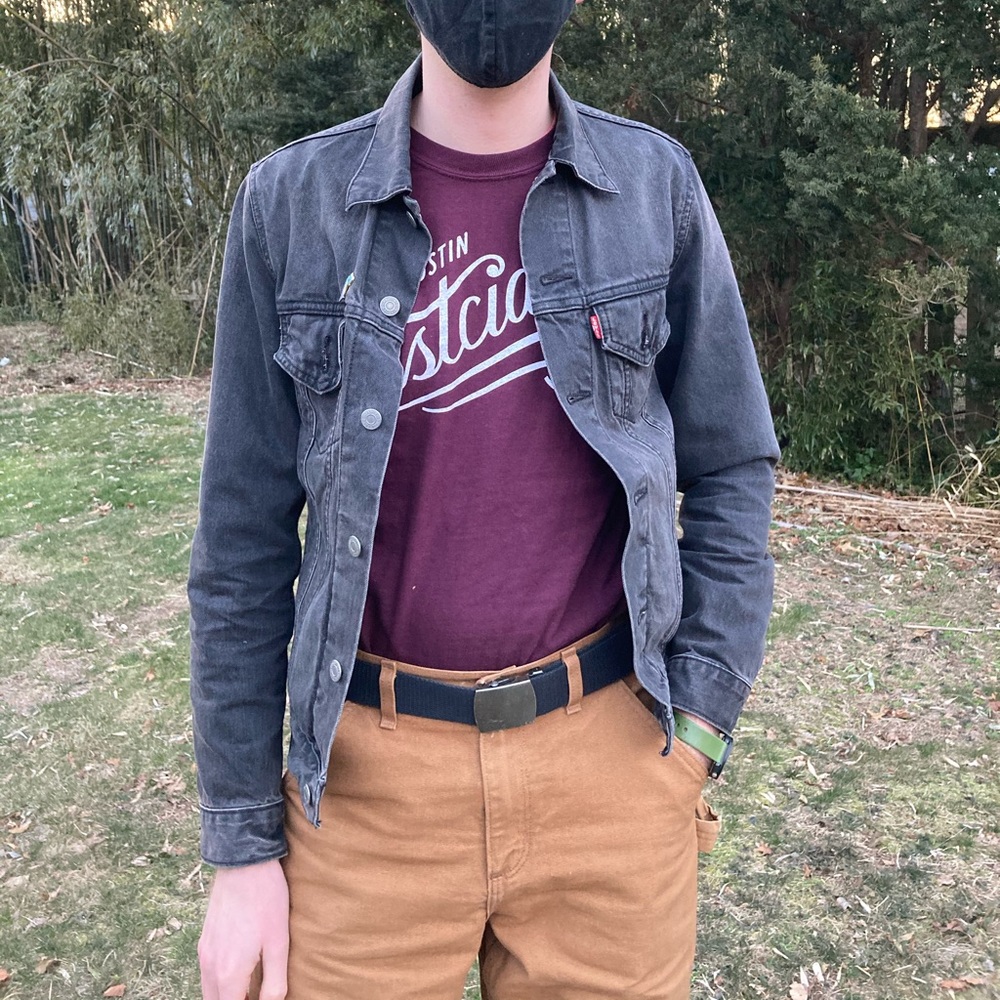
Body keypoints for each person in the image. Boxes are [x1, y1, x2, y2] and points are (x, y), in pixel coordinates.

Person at [188, 1, 779, 998]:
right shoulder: (290, 203)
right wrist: (243, 850)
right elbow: (240, 547)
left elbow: (731, 465)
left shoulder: (653, 187)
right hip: (363, 800)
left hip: (611, 775)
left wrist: (701, 724)